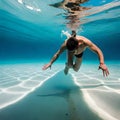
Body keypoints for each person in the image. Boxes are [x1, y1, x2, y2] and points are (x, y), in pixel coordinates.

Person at [42, 31, 109, 77]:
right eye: (70, 50)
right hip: (70, 53)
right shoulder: (65, 44)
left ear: (78, 45)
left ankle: (68, 64)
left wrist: (102, 63)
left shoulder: (85, 42)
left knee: (76, 69)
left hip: (80, 53)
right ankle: (67, 66)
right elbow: (57, 54)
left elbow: (98, 50)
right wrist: (50, 63)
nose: (74, 52)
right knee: (70, 65)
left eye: (73, 50)